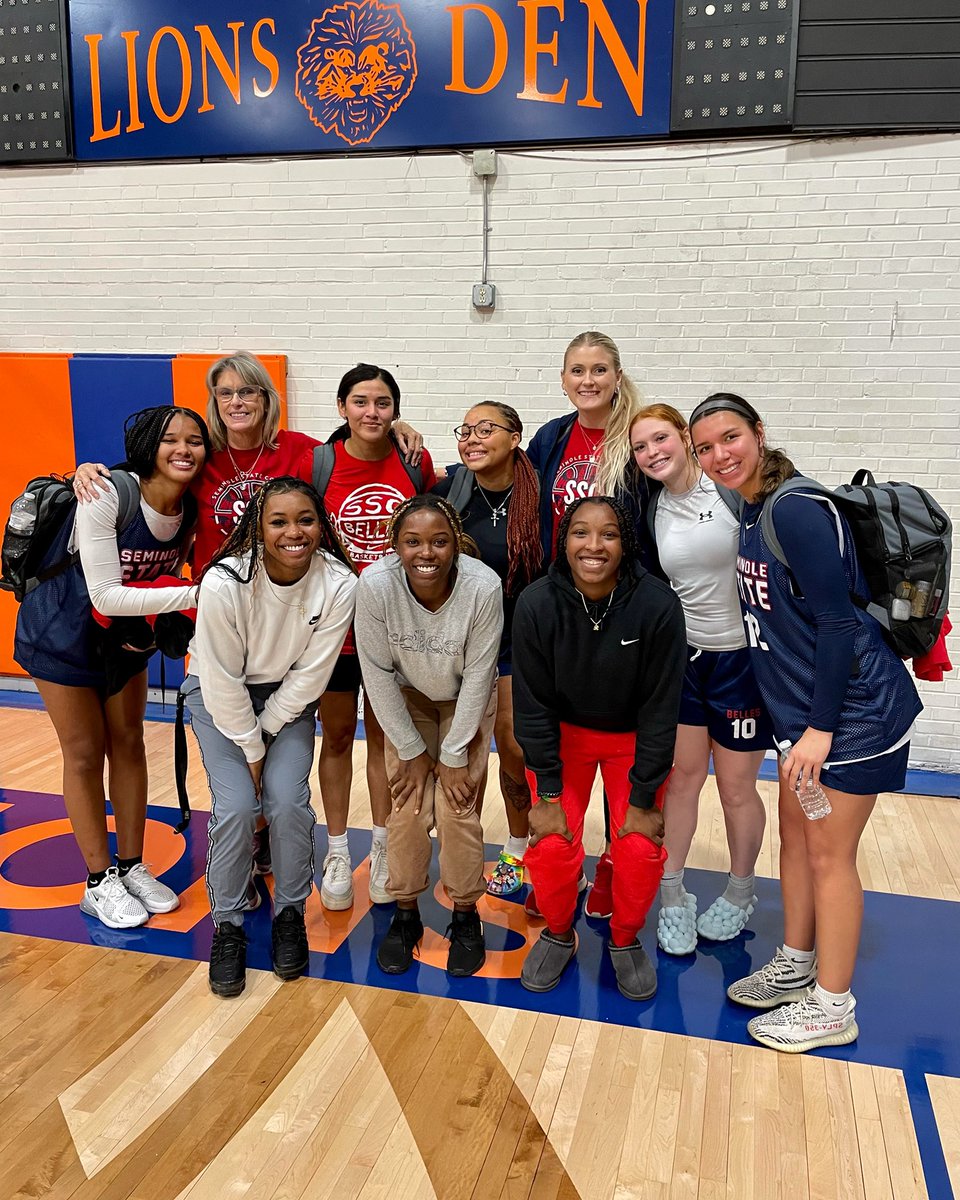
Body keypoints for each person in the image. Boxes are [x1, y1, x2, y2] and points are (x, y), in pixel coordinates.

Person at [73, 351, 422, 876]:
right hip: (227, 620)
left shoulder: (302, 453)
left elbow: (359, 444)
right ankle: (255, 845)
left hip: (288, 618)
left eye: (249, 391)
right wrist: (86, 469)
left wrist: (397, 426)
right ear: (214, 402)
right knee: (239, 742)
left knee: (281, 736)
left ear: (268, 399)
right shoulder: (203, 457)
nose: (238, 401)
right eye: (226, 393)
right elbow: (150, 473)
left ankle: (296, 844)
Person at [689, 393, 923, 1053]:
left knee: (828, 856)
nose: (718, 456)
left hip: (852, 717)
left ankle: (832, 1007)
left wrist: (819, 729)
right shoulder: (751, 506)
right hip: (806, 719)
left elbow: (838, 622)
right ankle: (797, 960)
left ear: (758, 434)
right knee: (795, 842)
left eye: (729, 438)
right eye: (706, 447)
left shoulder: (794, 509)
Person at [14, 406, 210, 929]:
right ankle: (97, 882)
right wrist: (202, 595)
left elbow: (154, 588)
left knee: (128, 741)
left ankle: (131, 865)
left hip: (121, 640)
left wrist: (178, 604)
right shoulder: (108, 493)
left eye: (195, 440)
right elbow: (103, 592)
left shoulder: (188, 509)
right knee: (83, 753)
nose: (184, 449)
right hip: (61, 631)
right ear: (149, 445)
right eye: (171, 439)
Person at [182, 476, 358, 997]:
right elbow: (219, 676)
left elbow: (311, 674)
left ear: (321, 525)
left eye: (305, 520)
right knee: (237, 806)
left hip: (289, 701)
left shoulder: (339, 582)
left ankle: (288, 915)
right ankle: (228, 925)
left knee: (287, 803)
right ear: (257, 527)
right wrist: (251, 745)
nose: (293, 532)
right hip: (218, 698)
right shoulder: (224, 582)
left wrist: (268, 728)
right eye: (278, 521)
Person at [512, 496, 686, 999]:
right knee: (549, 843)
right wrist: (546, 790)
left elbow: (661, 708)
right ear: (564, 542)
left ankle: (626, 939)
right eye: (580, 533)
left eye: (608, 534)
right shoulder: (537, 604)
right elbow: (533, 704)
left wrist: (645, 793)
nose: (593, 545)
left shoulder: (656, 604)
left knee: (638, 845)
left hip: (633, 740)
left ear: (624, 544)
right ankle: (560, 932)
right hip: (564, 739)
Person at [630, 404, 771, 955]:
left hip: (744, 662)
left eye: (660, 438)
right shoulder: (653, 509)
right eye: (641, 447)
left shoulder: (730, 492)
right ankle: (672, 894)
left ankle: (740, 892)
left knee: (736, 788)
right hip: (686, 663)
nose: (652, 453)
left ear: (685, 438)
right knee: (681, 779)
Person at [354, 495, 503, 978]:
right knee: (409, 805)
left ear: (455, 545)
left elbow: (482, 674)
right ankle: (406, 914)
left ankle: (465, 915)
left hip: (466, 698)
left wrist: (455, 752)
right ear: (394, 545)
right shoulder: (375, 586)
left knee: (456, 805)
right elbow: (375, 673)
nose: (426, 553)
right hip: (408, 697)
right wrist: (414, 752)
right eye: (413, 541)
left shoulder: (483, 587)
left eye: (439, 541)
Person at [525, 330, 647, 918]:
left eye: (600, 370)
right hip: (564, 604)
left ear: (617, 377)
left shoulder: (637, 435)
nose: (588, 380)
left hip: (620, 604)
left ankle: (612, 869)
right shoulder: (552, 437)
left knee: (627, 775)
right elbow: (506, 477)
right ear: (564, 378)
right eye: (577, 370)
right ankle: (561, 871)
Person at [312, 364, 436, 912]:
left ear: (396, 411)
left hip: (398, 628)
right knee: (337, 737)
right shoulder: (320, 463)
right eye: (360, 401)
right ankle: (338, 848)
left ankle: (385, 846)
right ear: (342, 408)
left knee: (389, 744)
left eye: (383, 403)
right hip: (335, 631)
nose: (371, 412)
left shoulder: (415, 462)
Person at [432, 402, 542, 897]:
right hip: (463, 637)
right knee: (463, 748)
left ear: (516, 437)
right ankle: (462, 844)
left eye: (486, 429)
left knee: (514, 744)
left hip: (523, 638)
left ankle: (521, 845)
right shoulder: (450, 491)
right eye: (466, 430)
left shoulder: (541, 493)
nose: (472, 438)